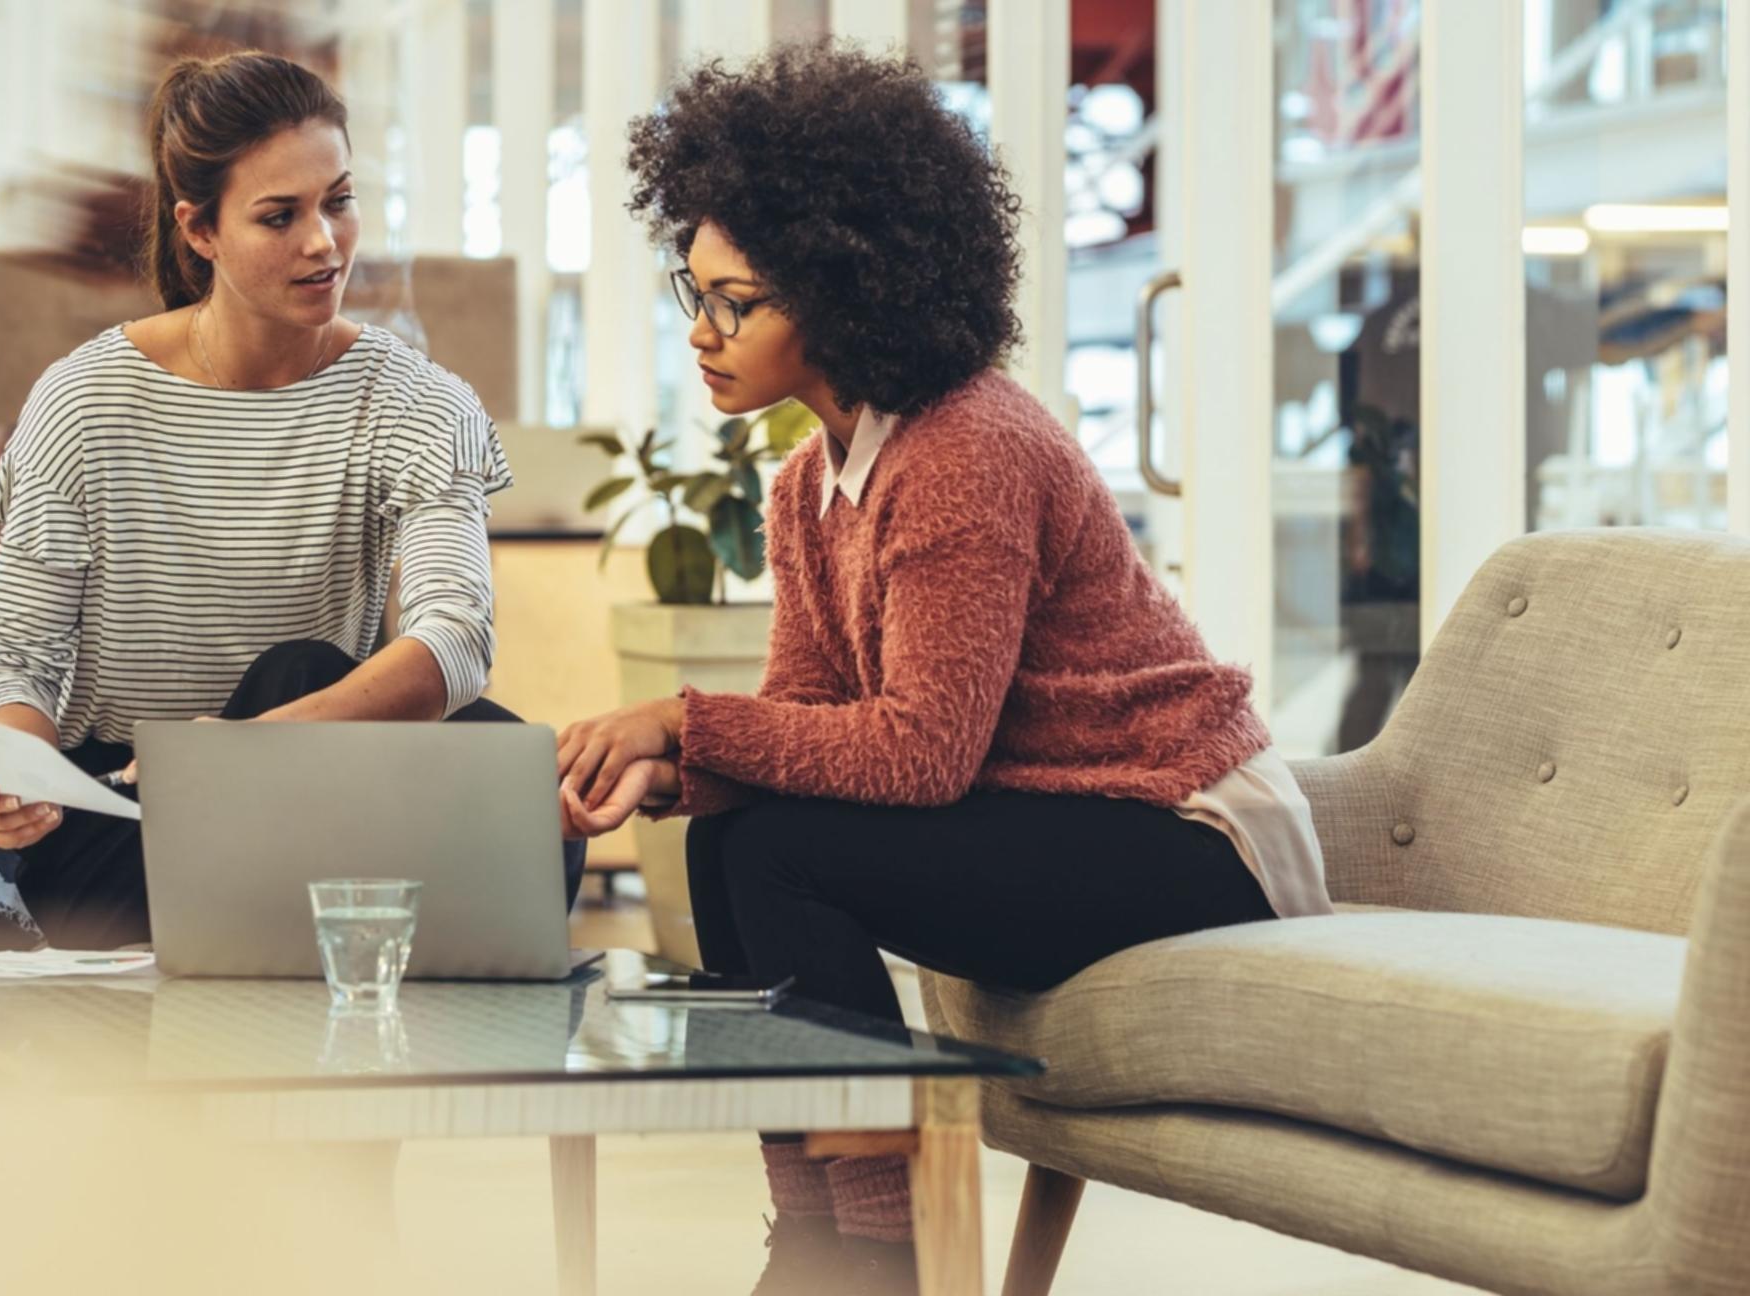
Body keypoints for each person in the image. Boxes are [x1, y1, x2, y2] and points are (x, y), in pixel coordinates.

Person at [552, 43, 1334, 1295]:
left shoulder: (965, 448)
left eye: (735, 301)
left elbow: (920, 750)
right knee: (725, 835)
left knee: (771, 846)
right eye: (691, 293)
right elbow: (811, 720)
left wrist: (682, 721)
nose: (702, 333)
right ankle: (822, 1232)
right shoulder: (811, 478)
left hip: (1181, 834)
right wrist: (671, 763)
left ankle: (880, 1251)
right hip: (1049, 812)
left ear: (846, 292)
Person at [0, 51, 581, 952]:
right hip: (127, 815)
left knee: (407, 720)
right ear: (200, 230)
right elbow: (20, 659)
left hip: (324, 789)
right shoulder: (84, 401)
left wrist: (235, 753)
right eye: (278, 216)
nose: (323, 242)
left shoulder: (418, 403)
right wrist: (15, 769)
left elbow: (457, 639)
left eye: (338, 200)